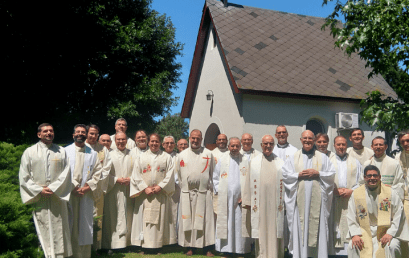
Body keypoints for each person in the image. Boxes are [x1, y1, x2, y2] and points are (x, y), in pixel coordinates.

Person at [19, 123, 73, 257]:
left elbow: (67, 173)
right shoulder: (30, 152)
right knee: (43, 226)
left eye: (51, 131)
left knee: (60, 227)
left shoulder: (61, 151)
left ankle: (61, 255)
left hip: (57, 196)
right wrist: (38, 190)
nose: (49, 133)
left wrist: (53, 188)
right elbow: (24, 175)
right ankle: (46, 254)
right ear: (39, 134)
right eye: (45, 131)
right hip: (40, 197)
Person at [282, 130, 336, 258]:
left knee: (318, 227)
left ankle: (318, 255)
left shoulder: (323, 158)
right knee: (300, 227)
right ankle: (301, 255)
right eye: (305, 138)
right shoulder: (293, 157)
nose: (307, 141)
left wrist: (318, 174)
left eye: (310, 138)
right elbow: (285, 175)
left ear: (314, 141)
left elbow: (331, 174)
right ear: (301, 140)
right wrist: (298, 175)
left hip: (318, 202)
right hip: (299, 201)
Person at [347, 165, 409, 258]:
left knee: (392, 246)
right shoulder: (356, 194)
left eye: (375, 175)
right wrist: (355, 234)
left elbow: (398, 215)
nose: (372, 178)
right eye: (369, 176)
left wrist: (390, 233)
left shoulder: (390, 193)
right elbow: (351, 215)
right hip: (364, 232)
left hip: (386, 231)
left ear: (380, 177)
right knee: (352, 245)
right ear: (364, 178)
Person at [130, 133, 176, 253]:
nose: (154, 144)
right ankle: (144, 245)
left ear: (160, 143)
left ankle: (158, 245)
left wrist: (160, 186)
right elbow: (136, 175)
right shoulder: (141, 157)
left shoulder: (166, 157)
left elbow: (170, 175)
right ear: (148, 142)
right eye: (152, 141)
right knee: (144, 220)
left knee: (160, 220)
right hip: (145, 195)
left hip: (160, 194)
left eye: (156, 141)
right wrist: (144, 188)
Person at [242, 135, 286, 258]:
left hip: (276, 204)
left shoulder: (280, 163)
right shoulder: (254, 162)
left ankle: (275, 254)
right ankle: (261, 255)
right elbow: (248, 182)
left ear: (273, 145)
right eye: (265, 143)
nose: (268, 146)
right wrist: (247, 201)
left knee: (275, 229)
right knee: (261, 229)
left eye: (271, 144)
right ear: (261, 145)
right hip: (259, 203)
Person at [175, 129, 215, 256]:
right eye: (193, 138)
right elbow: (177, 175)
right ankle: (189, 247)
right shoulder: (181, 155)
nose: (195, 140)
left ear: (201, 139)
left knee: (206, 221)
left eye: (198, 138)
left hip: (203, 193)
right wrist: (185, 188)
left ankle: (207, 247)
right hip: (187, 193)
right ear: (189, 138)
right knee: (188, 220)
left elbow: (213, 174)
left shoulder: (208, 154)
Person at [65, 124, 103, 258]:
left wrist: (87, 187)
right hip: (70, 194)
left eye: (83, 132)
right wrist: (73, 187)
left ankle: (84, 255)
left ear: (86, 135)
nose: (80, 134)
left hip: (86, 194)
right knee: (70, 224)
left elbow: (98, 172)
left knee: (85, 226)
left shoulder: (92, 154)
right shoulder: (65, 152)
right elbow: (62, 172)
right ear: (73, 135)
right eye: (78, 132)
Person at [213, 137, 252, 257]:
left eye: (237, 146)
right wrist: (221, 192)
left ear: (240, 147)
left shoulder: (245, 160)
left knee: (240, 223)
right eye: (232, 146)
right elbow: (215, 177)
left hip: (241, 199)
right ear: (228, 147)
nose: (234, 148)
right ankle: (225, 249)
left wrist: (246, 196)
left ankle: (240, 250)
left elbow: (250, 179)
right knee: (227, 223)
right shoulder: (222, 159)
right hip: (226, 199)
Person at [101, 132, 135, 252]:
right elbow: (103, 173)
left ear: (127, 140)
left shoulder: (132, 154)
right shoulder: (108, 155)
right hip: (113, 191)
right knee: (112, 217)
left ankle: (127, 244)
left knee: (128, 216)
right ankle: (111, 245)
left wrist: (131, 179)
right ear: (114, 141)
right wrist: (116, 179)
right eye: (118, 139)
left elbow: (138, 171)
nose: (121, 141)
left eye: (123, 139)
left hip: (128, 190)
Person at [328, 135, 361, 256]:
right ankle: (332, 253)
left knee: (348, 224)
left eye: (343, 144)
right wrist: (334, 190)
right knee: (333, 225)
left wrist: (351, 191)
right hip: (333, 200)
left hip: (349, 200)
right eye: (338, 144)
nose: (341, 147)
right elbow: (324, 180)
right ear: (334, 145)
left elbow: (361, 181)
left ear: (347, 146)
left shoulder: (355, 162)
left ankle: (348, 253)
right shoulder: (328, 161)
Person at [85, 124, 112, 251]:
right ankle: (83, 248)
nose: (93, 136)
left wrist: (95, 182)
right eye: (91, 133)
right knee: (83, 217)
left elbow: (106, 168)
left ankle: (96, 248)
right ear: (86, 133)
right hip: (82, 190)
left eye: (96, 134)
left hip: (97, 189)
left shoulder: (103, 149)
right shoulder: (80, 147)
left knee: (97, 217)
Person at [163, 136, 180, 235]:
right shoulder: (160, 156)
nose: (169, 145)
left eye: (171, 143)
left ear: (174, 145)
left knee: (174, 212)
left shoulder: (179, 157)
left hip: (175, 189)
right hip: (162, 189)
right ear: (163, 145)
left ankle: (173, 236)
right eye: (167, 143)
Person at [395, 130, 409, 224]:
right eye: (402, 142)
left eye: (408, 140)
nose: (405, 143)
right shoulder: (398, 157)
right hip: (406, 197)